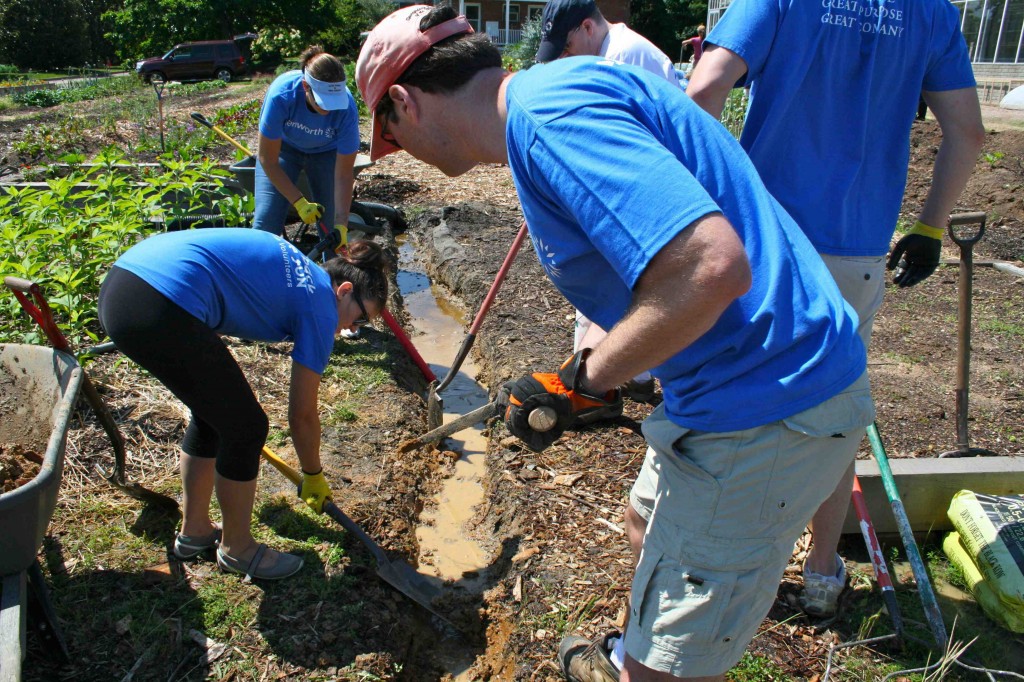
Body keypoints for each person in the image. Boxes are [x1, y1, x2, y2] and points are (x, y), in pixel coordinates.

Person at [356, 6, 874, 681]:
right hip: (728, 380)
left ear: (403, 101)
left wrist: (584, 381)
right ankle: (636, 647)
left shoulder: (551, 120)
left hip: (764, 399)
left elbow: (709, 268)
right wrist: (593, 363)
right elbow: (650, 260)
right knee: (642, 521)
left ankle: (648, 667)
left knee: (670, 671)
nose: (400, 155)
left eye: (391, 138)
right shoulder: (568, 91)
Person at [686, 0, 985, 618]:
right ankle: (822, 571)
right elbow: (970, 131)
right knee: (832, 411)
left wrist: (706, 205)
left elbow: (705, 88)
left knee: (737, 397)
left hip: (765, 243)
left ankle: (719, 569)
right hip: (858, 250)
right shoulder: (929, 11)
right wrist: (929, 229)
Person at [98, 229, 388, 581]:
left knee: (214, 417)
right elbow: (302, 415)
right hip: (159, 300)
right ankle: (238, 550)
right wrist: (312, 474)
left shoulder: (302, 274)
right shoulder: (320, 305)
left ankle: (196, 533)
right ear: (343, 290)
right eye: (357, 318)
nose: (350, 329)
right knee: (246, 427)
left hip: (127, 285)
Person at [535, 0, 681, 411]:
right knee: (605, 286)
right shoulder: (607, 49)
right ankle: (608, 382)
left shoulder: (622, 56)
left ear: (585, 27)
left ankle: (606, 384)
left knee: (621, 286)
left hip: (647, 189)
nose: (564, 60)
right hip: (630, 186)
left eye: (564, 49)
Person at [254, 45, 360, 244]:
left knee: (332, 233)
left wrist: (341, 224)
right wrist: (299, 202)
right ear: (305, 87)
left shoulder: (347, 109)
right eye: (323, 102)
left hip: (326, 153)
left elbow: (344, 174)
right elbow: (268, 160)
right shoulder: (282, 95)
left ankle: (332, 274)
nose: (329, 110)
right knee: (265, 224)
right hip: (284, 152)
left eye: (333, 102)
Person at [536, 0, 680, 87]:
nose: (562, 57)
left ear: (588, 27)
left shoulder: (619, 59)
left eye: (566, 46)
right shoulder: (615, 45)